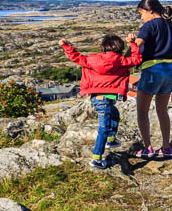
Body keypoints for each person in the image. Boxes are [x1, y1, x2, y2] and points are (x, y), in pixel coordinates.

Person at [59, 34, 142, 168]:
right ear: (120, 48)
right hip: (106, 99)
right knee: (104, 128)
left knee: (115, 114)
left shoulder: (92, 59)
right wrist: (132, 43)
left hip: (97, 98)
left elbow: (76, 57)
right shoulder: (121, 61)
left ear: (103, 48)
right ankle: (96, 158)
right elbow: (137, 59)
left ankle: (111, 140)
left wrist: (66, 46)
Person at [127, 0, 172, 159]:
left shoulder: (149, 25)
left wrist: (122, 62)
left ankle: (148, 148)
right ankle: (166, 147)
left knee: (142, 111)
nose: (141, 17)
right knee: (162, 110)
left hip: (152, 70)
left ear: (150, 11)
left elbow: (137, 46)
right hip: (169, 71)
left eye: (141, 13)